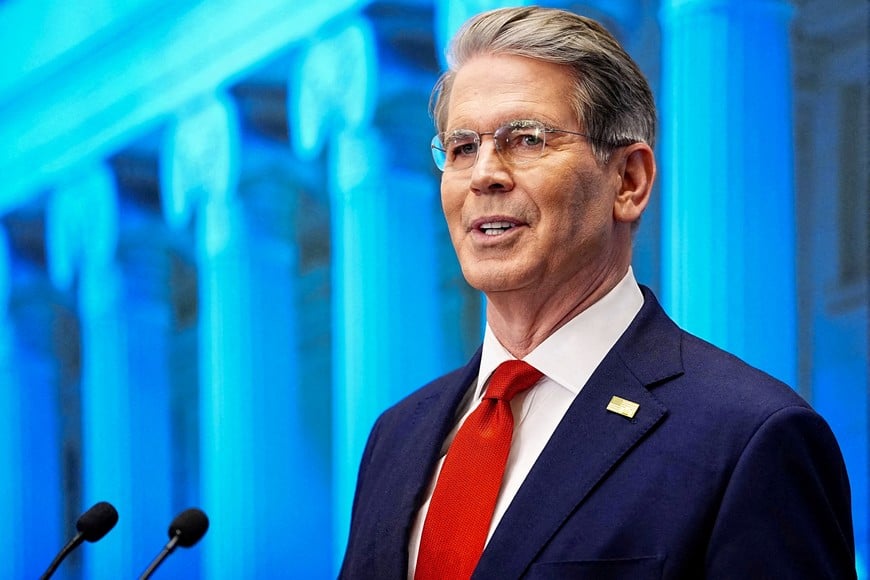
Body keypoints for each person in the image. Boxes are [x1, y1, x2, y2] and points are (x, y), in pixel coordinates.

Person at [339, 6, 855, 579]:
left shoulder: (749, 437)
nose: (484, 174)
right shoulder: (397, 435)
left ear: (628, 182)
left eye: (527, 139)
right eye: (461, 148)